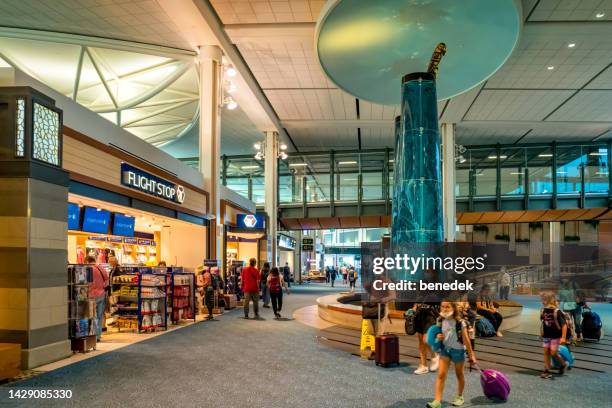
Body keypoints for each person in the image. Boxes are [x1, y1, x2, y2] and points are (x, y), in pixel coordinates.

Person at [426, 301, 477, 408]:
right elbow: (437, 333)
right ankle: (437, 401)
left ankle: (459, 396)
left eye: (447, 307)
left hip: (458, 351)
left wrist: (471, 355)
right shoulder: (440, 320)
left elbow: (466, 340)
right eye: (442, 307)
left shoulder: (460, 322)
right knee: (441, 375)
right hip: (445, 350)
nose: (444, 309)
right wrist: (438, 337)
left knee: (459, 375)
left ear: (453, 308)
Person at [539, 291, 569, 379]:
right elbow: (543, 322)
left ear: (549, 300)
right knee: (546, 352)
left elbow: (564, 325)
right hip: (546, 335)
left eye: (543, 300)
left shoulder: (557, 311)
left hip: (555, 336)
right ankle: (547, 370)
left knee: (553, 353)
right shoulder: (543, 310)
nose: (542, 302)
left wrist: (563, 337)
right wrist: (542, 333)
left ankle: (563, 364)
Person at [87, 256, 109, 342]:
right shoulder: (101, 268)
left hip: (92, 295)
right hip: (102, 294)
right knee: (99, 316)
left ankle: (95, 336)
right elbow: (107, 281)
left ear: (87, 261)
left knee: (93, 316)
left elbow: (88, 283)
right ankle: (98, 335)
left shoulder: (89, 269)